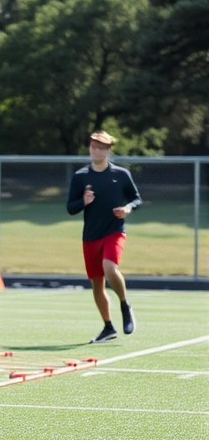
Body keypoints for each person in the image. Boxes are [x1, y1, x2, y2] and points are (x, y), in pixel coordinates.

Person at [67, 130, 141, 343]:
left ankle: (125, 304)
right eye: (93, 146)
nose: (96, 151)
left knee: (110, 267)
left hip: (114, 231)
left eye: (101, 147)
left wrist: (127, 208)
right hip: (90, 236)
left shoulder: (121, 174)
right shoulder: (81, 176)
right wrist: (84, 201)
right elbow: (71, 208)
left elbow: (136, 199)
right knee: (97, 284)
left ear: (108, 150)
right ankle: (108, 327)